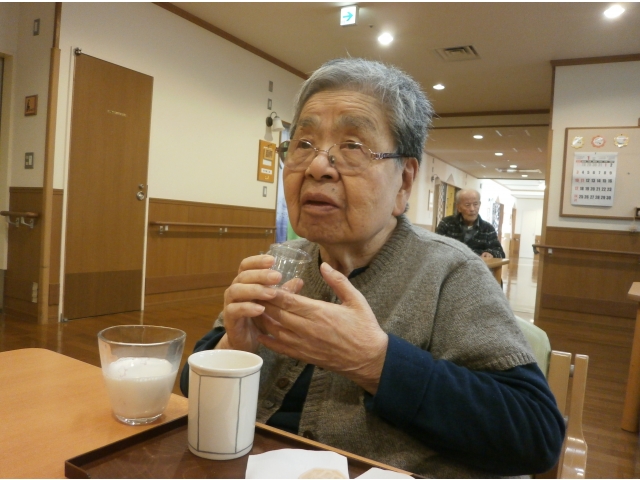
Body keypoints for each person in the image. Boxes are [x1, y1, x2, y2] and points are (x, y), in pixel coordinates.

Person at [181, 58, 564, 477]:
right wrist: (233, 350)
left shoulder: (451, 272)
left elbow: (536, 433)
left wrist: (377, 362)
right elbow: (188, 389)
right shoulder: (281, 259)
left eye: (352, 147)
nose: (317, 166)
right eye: (303, 144)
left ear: (404, 182)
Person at [435, 189, 505, 259]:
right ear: (458, 207)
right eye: (467, 205)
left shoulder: (488, 228)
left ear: (479, 205)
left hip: (476, 265)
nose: (472, 209)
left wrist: (490, 253)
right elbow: (435, 247)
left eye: (475, 204)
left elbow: (500, 253)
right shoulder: (447, 223)